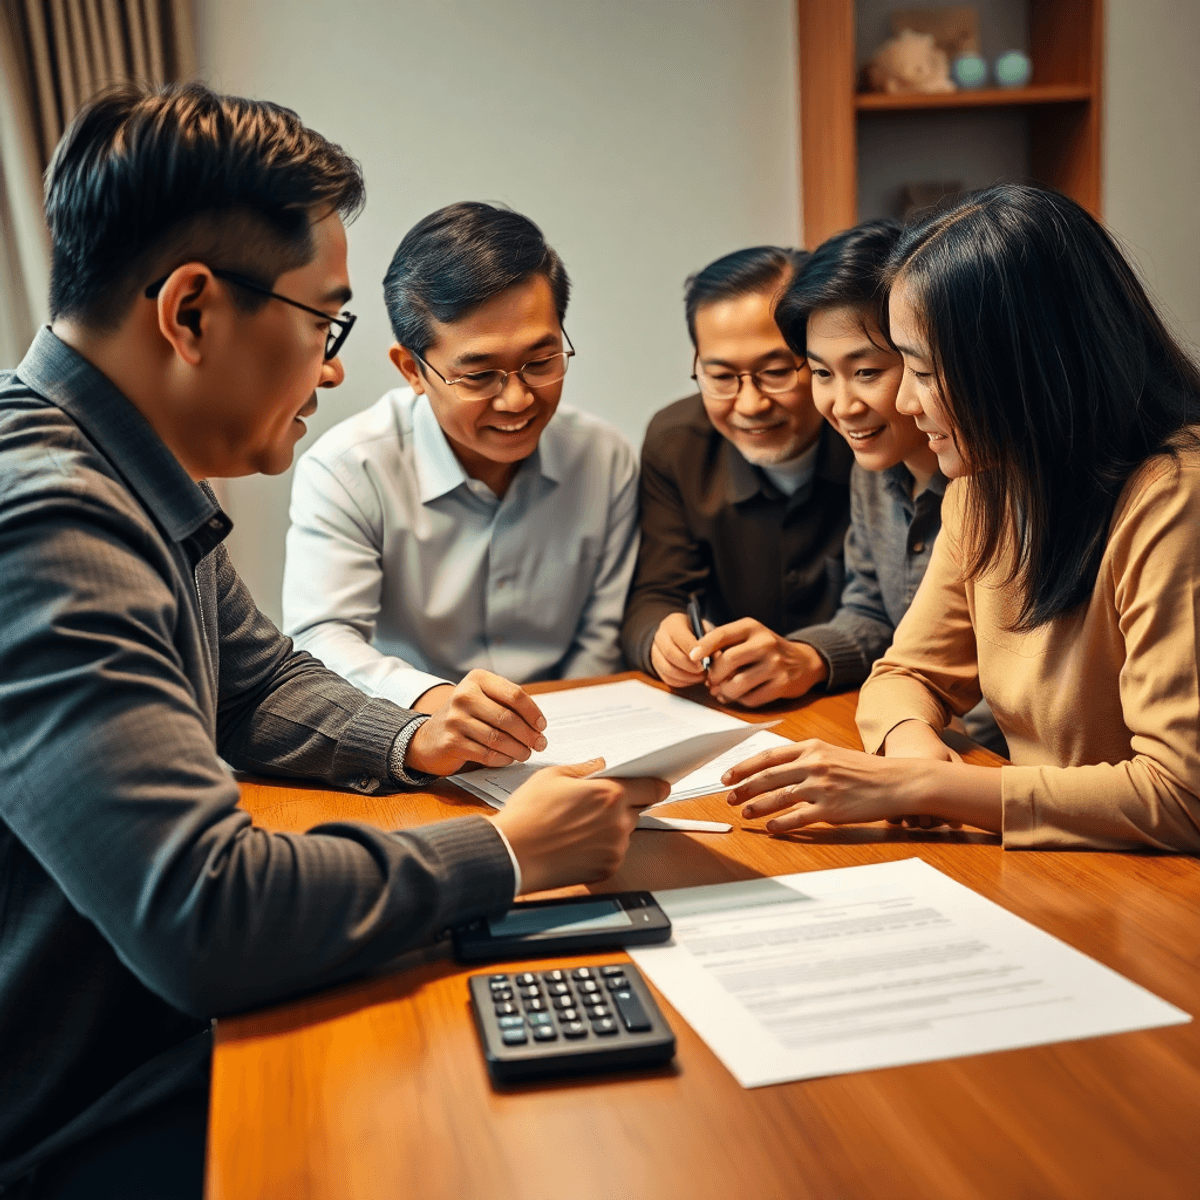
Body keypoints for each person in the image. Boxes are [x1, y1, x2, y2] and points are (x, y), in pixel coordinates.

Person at [0, 83, 665, 1198]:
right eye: (325, 321)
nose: (333, 366)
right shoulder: (48, 521)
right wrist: (508, 857)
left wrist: (413, 737)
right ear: (192, 313)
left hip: (147, 1036)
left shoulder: (122, 476)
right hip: (75, 1112)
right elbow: (206, 914)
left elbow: (257, 683)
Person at [722, 184, 1200, 853]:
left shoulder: (1175, 496)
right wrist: (911, 748)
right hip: (1055, 863)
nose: (906, 404)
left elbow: (1181, 797)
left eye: (920, 371)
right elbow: (905, 674)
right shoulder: (987, 485)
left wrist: (923, 787)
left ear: (1021, 366)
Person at [282, 201, 638, 735]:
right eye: (478, 376)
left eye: (541, 362)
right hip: (414, 735)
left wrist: (562, 729)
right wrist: (436, 702)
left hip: (573, 733)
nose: (517, 400)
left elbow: (601, 637)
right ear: (412, 369)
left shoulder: (603, 458)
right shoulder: (348, 469)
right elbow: (322, 637)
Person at [768, 219, 1006, 756]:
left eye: (867, 372)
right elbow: (874, 610)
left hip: (995, 766)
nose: (842, 406)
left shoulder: (995, 488)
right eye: (821, 373)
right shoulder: (874, 469)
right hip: (922, 743)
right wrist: (806, 657)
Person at [620, 246, 854, 708]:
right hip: (733, 710)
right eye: (722, 377)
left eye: (776, 371)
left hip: (858, 701)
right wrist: (662, 640)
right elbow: (657, 593)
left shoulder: (871, 436)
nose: (750, 405)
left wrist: (815, 657)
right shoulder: (676, 442)